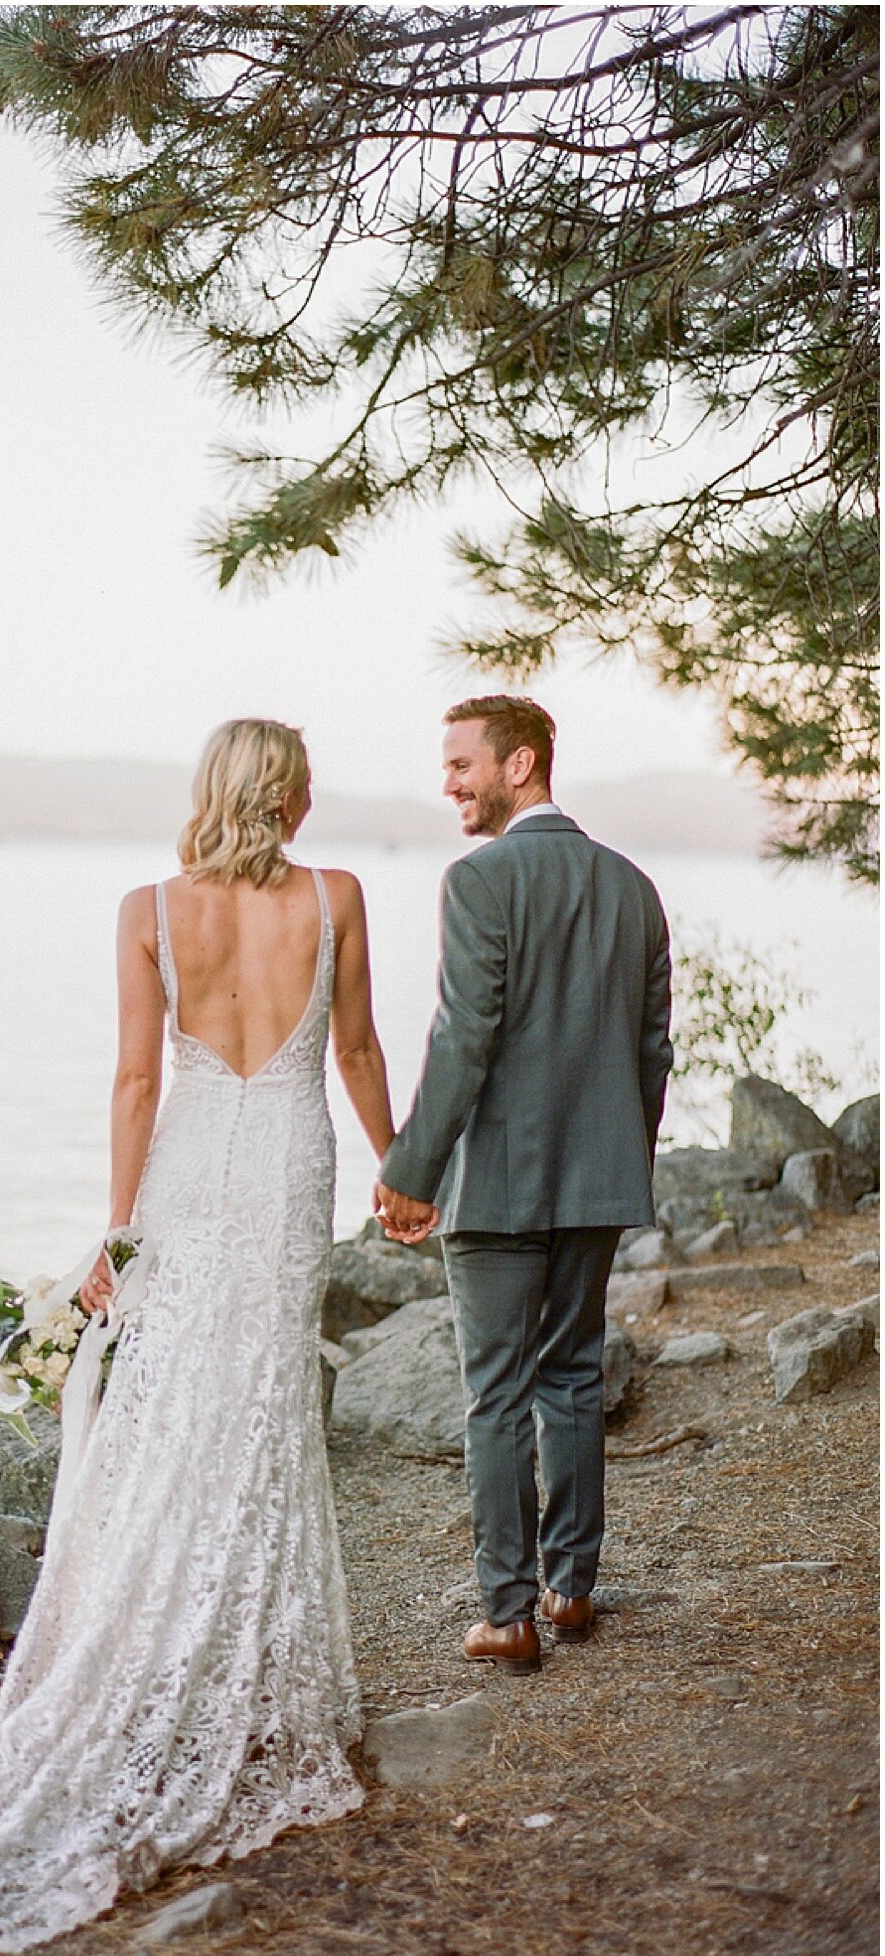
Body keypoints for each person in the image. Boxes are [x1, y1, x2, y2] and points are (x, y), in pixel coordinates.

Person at [0, 718, 398, 1956]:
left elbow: (137, 1082)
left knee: (175, 1408)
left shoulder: (149, 908)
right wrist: (398, 1166)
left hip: (191, 1175)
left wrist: (119, 1231)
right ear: (287, 797)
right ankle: (242, 1670)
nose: (311, 800)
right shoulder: (339, 895)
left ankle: (153, 1645)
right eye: (304, 784)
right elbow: (351, 1047)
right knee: (258, 1405)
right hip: (289, 1168)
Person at [376, 695, 672, 1675]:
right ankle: (572, 1587)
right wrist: (622, 1154)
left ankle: (508, 1613)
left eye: (463, 763)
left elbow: (466, 1035)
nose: (450, 784)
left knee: (497, 1394)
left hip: (497, 1184)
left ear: (522, 763)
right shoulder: (635, 888)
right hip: (598, 1175)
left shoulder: (480, 880)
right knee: (574, 1374)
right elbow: (651, 1050)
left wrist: (411, 1170)